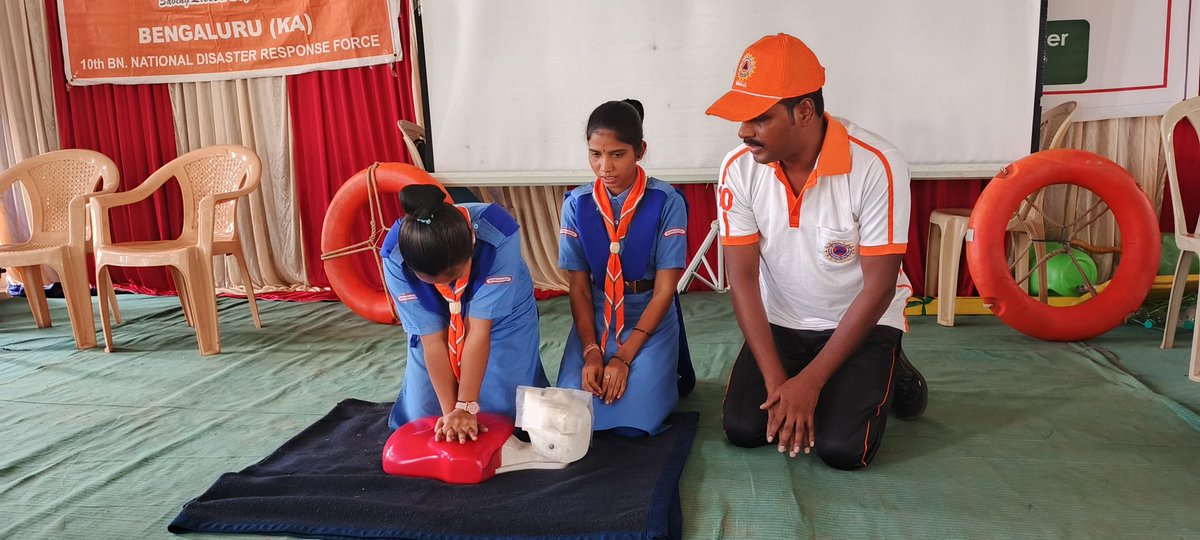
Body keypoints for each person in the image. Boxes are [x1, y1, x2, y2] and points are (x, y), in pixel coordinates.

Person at [705, 34, 928, 469]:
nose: (743, 131)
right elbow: (744, 279)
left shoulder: (878, 164)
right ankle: (829, 382)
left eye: (759, 118)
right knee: (744, 430)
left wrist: (811, 383)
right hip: (781, 320)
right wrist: (778, 382)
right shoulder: (738, 167)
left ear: (804, 111)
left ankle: (894, 368)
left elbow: (880, 287)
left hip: (859, 321)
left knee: (842, 450)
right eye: (741, 118)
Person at [556, 99, 693, 436]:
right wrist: (591, 351)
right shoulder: (576, 204)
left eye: (617, 154)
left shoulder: (666, 201)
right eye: (595, 154)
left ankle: (658, 377)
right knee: (570, 415)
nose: (605, 167)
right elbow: (578, 286)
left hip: (650, 319)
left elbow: (664, 291)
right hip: (598, 317)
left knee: (632, 425)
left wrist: (623, 358)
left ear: (640, 150)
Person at [380, 184, 549, 443]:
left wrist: (466, 406)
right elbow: (432, 340)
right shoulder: (395, 257)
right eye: (430, 281)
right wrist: (452, 414)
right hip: (437, 315)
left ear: (472, 242)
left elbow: (479, 330)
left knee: (504, 415)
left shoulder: (498, 233)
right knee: (421, 420)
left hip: (503, 318)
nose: (444, 284)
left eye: (454, 276)